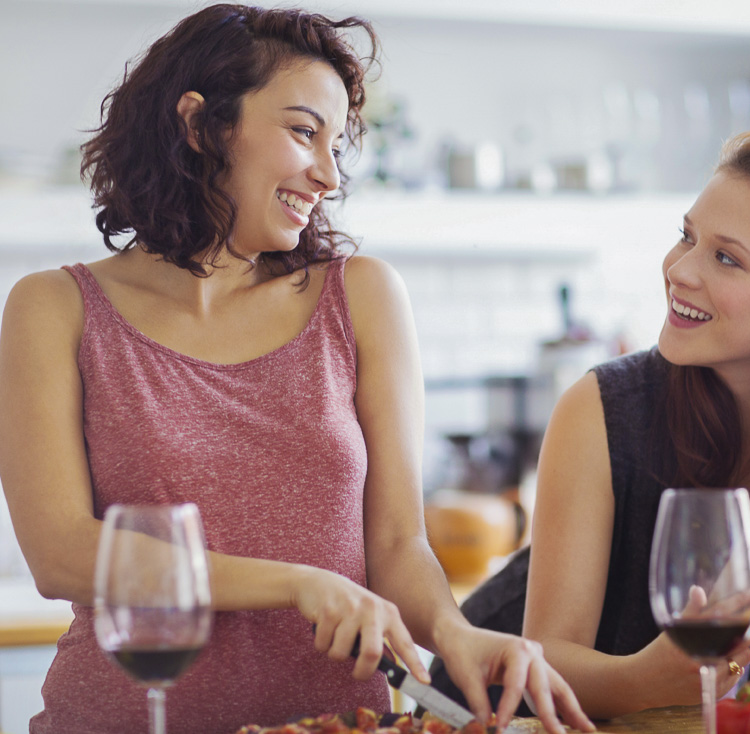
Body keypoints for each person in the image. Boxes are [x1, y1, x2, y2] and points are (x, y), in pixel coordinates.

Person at [0, 5, 594, 734]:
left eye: (338, 145)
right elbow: (61, 553)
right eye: (304, 131)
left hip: (334, 721)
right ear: (201, 125)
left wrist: (453, 631)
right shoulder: (55, 309)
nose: (328, 172)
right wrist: (297, 584)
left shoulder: (362, 297)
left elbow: (398, 545)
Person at [428, 129, 750, 719]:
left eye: (726, 258)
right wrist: (650, 679)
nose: (679, 271)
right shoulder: (599, 409)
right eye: (687, 237)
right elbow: (545, 657)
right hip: (490, 713)